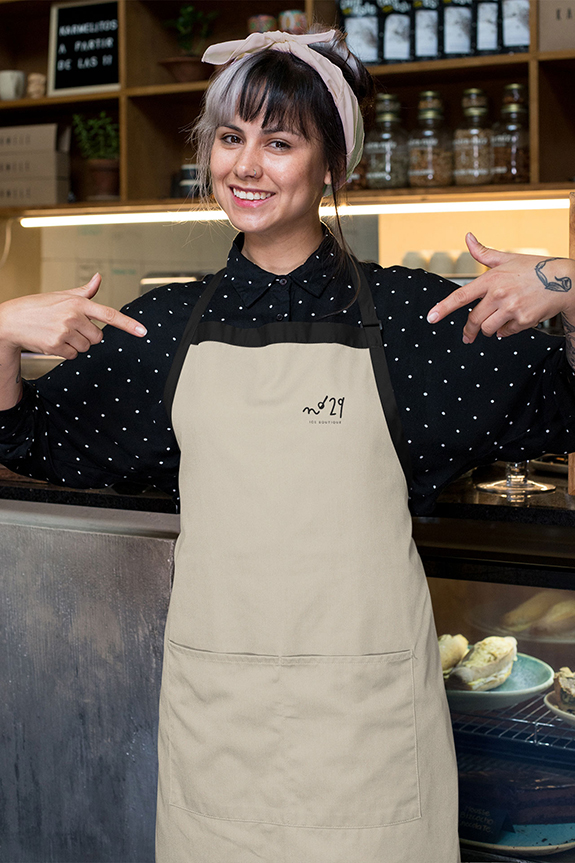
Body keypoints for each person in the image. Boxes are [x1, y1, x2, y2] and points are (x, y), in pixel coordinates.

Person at [0, 27, 574, 863]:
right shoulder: (160, 328)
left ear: (333, 165)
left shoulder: (416, 323)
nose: (246, 165)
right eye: (230, 138)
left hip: (366, 733)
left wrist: (561, 281)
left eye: (279, 141)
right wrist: (2, 330)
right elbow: (25, 436)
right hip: (219, 729)